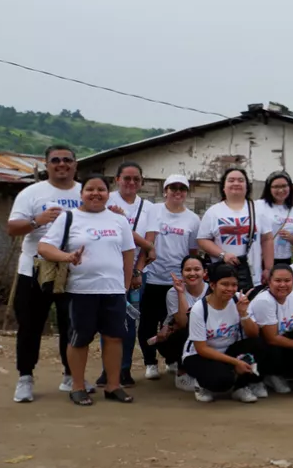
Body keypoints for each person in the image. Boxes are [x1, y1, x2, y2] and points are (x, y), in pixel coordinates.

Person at [36, 173, 136, 407]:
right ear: (81, 193)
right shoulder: (69, 218)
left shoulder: (118, 220)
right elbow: (44, 247)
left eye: (101, 189)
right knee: (80, 339)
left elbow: (128, 252)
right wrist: (68, 256)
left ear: (107, 193)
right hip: (81, 290)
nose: (95, 193)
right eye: (90, 189)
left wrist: (126, 284)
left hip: (113, 290)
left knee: (114, 338)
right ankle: (78, 386)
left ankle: (113, 386)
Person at [8, 143, 82, 401]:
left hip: (73, 269)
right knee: (30, 325)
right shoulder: (32, 193)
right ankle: (25, 377)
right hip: (34, 270)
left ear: (75, 164)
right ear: (47, 164)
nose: (62, 164)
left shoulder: (86, 192)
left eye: (67, 160)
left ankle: (71, 375)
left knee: (71, 325)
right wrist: (37, 221)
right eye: (56, 160)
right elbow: (12, 228)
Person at [134, 175, 200, 373]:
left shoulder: (193, 219)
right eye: (173, 188)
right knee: (147, 322)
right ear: (166, 190)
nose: (177, 192)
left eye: (182, 188)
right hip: (152, 275)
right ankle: (150, 362)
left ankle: (172, 358)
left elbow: (193, 253)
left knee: (174, 322)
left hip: (177, 281)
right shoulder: (153, 211)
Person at [180, 262, 266, 402]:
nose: (230, 289)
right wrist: (235, 363)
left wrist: (243, 313)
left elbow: (253, 334)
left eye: (234, 284)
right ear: (213, 285)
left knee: (258, 344)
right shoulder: (200, 309)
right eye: (225, 284)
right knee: (222, 381)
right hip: (200, 356)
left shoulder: (239, 299)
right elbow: (201, 349)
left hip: (229, 350)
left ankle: (240, 387)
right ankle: (201, 383)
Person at [105, 160, 156, 384]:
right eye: (126, 178)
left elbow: (149, 244)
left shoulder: (149, 208)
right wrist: (125, 224)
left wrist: (137, 271)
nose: (131, 182)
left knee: (129, 321)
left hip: (135, 273)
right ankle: (108, 369)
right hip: (107, 271)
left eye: (136, 179)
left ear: (141, 182)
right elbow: (146, 244)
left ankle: (124, 367)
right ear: (117, 180)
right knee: (108, 321)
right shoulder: (107, 201)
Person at [249, 261, 293, 392]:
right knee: (270, 345)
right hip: (261, 344)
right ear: (269, 282)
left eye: (287, 281)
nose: (283, 285)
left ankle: (288, 372)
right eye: (278, 281)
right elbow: (271, 338)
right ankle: (268, 375)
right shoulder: (264, 300)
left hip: (281, 338)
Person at [197, 168, 261, 289]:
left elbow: (267, 239)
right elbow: (202, 240)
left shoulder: (258, 210)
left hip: (252, 275)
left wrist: (268, 268)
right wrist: (223, 255)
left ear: (247, 186)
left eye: (240, 180)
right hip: (222, 274)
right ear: (223, 187)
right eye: (231, 180)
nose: (236, 183)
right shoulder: (213, 211)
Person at [154, 250, 209, 387]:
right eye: (187, 270)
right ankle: (182, 370)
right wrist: (180, 293)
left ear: (205, 273)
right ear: (182, 273)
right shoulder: (173, 292)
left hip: (208, 333)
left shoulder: (212, 290)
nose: (192, 273)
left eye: (197, 269)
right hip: (178, 336)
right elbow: (183, 322)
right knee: (185, 332)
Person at [256, 173, 293, 282]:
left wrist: (291, 238)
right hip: (262, 259)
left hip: (284, 259)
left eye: (284, 186)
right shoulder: (259, 205)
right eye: (276, 187)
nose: (280, 190)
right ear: (269, 188)